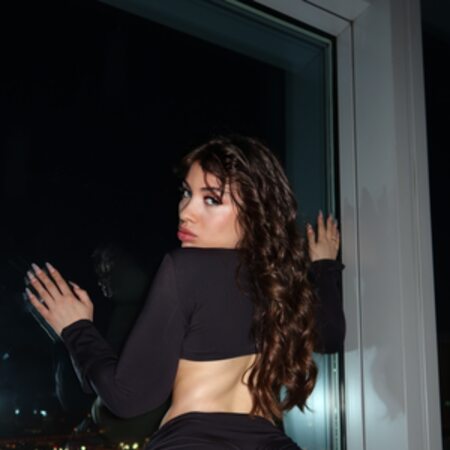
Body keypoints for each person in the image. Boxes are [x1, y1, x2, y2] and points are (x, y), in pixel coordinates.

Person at [24, 135, 345, 449]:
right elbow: (331, 336)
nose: (185, 211)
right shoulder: (281, 283)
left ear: (255, 211)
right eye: (186, 193)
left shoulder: (185, 269)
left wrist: (76, 328)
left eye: (211, 199)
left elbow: (128, 397)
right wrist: (324, 266)